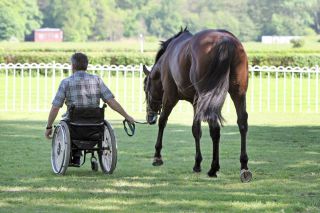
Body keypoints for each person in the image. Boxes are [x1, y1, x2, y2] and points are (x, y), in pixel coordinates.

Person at [45, 52, 135, 165]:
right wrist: (127, 116)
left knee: (66, 121)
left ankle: (75, 155)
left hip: (74, 125)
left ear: (72, 65)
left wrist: (49, 126)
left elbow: (55, 107)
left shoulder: (66, 82)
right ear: (86, 65)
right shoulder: (97, 80)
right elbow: (111, 101)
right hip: (95, 124)